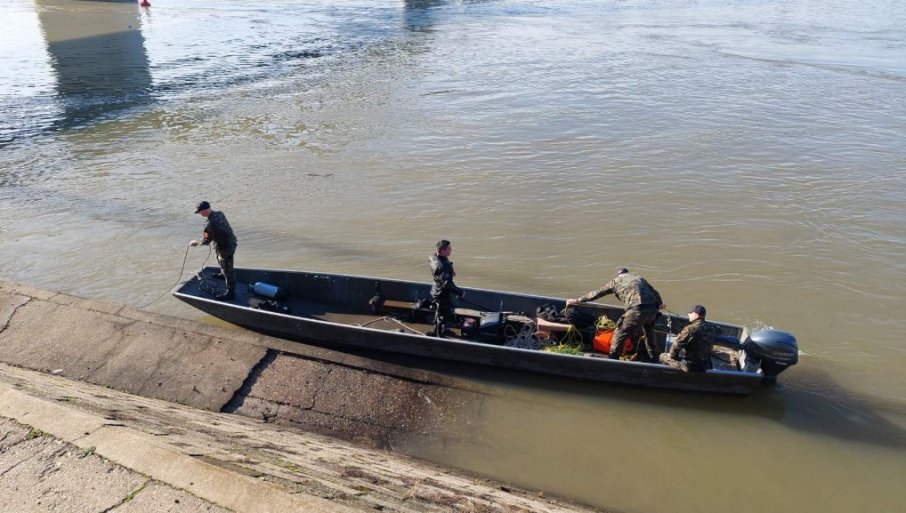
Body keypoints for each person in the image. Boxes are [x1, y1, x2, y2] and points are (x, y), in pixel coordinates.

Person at [566, 268, 664, 362]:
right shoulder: (639, 278)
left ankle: (613, 359)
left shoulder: (616, 281)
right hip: (653, 310)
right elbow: (655, 292)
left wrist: (578, 300)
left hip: (637, 311)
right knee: (649, 333)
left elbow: (598, 293)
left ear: (619, 275)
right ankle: (653, 357)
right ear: (627, 273)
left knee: (619, 333)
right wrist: (660, 303)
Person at [190, 201, 238, 301]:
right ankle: (222, 274)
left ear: (204, 210)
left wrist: (196, 243)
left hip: (226, 247)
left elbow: (206, 241)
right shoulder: (220, 213)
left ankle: (231, 292)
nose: (200, 214)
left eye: (200, 212)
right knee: (219, 257)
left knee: (227, 268)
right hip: (230, 241)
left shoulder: (209, 225)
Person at [659, 305, 718, 372]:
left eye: (690, 313)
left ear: (696, 315)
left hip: (691, 366)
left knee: (662, 356)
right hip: (706, 365)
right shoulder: (712, 327)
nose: (688, 314)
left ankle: (667, 374)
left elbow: (676, 346)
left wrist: (672, 356)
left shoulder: (690, 329)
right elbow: (718, 331)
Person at [429, 239, 465, 338]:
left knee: (439, 311)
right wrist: (460, 292)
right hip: (442, 293)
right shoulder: (443, 266)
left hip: (435, 288)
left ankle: (437, 329)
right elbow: (447, 284)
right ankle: (440, 336)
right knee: (442, 315)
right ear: (442, 251)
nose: (451, 250)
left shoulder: (433, 257)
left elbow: (439, 271)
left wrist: (450, 271)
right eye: (449, 249)